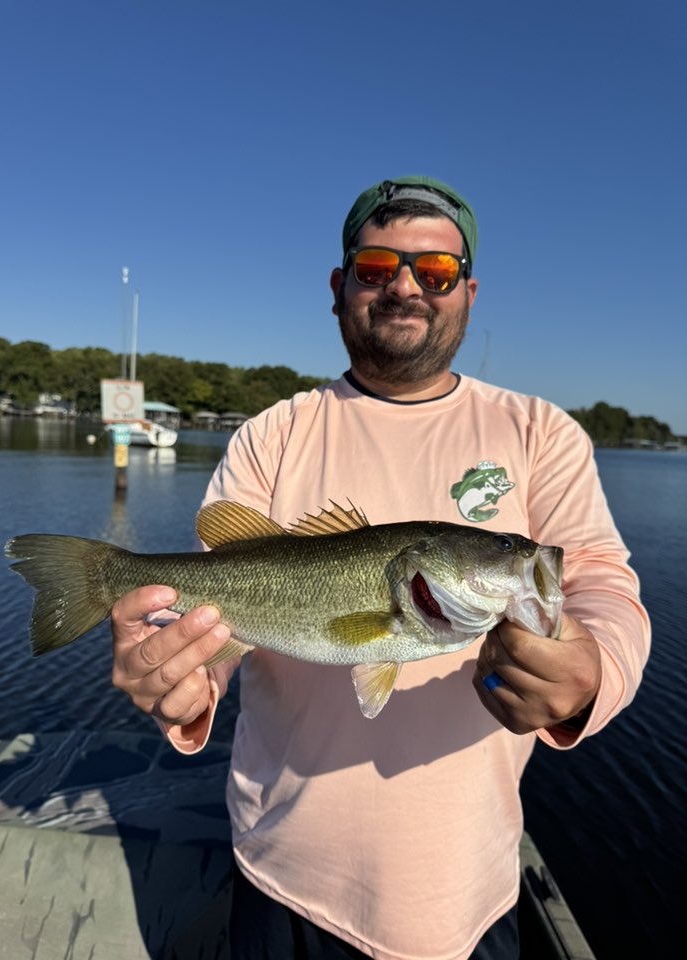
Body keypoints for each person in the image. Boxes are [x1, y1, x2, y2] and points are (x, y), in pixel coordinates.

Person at [110, 176, 651, 960]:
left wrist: (593, 672)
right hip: (278, 871)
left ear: (467, 291)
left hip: (468, 892)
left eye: (434, 273)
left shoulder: (542, 433)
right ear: (340, 287)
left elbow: (600, 583)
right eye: (375, 266)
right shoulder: (273, 432)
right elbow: (218, 611)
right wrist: (178, 677)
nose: (404, 286)